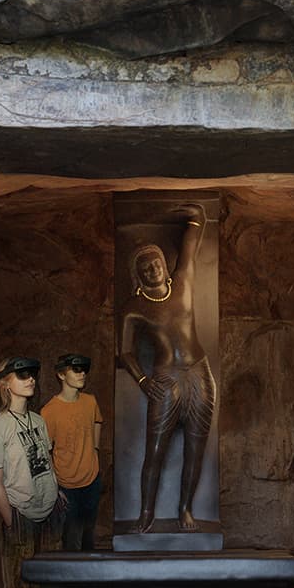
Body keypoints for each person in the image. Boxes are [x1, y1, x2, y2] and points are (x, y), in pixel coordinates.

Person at [116, 204, 216, 532]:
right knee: (155, 449)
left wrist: (193, 214)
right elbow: (125, 351)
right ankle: (146, 513)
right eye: (144, 267)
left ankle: (185, 508)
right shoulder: (135, 309)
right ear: (138, 276)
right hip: (164, 378)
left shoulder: (183, 281)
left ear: (164, 263)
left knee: (195, 447)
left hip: (199, 374)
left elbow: (193, 237)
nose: (152, 269)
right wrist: (143, 380)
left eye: (155, 262)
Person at [0, 355, 61, 588]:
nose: (30, 379)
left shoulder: (39, 420)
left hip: (50, 509)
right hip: (21, 514)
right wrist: (11, 520)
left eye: (32, 373)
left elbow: (46, 460)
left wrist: (57, 495)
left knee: (49, 578)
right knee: (19, 580)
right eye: (22, 375)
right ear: (6, 384)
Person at [42, 352, 103, 551]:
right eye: (76, 370)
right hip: (66, 485)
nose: (82, 374)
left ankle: (89, 581)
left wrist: (94, 452)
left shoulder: (90, 401)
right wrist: (56, 487)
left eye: (84, 370)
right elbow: (46, 452)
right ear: (61, 375)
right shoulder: (49, 411)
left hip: (92, 480)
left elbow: (97, 422)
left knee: (89, 538)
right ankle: (70, 582)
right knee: (70, 541)